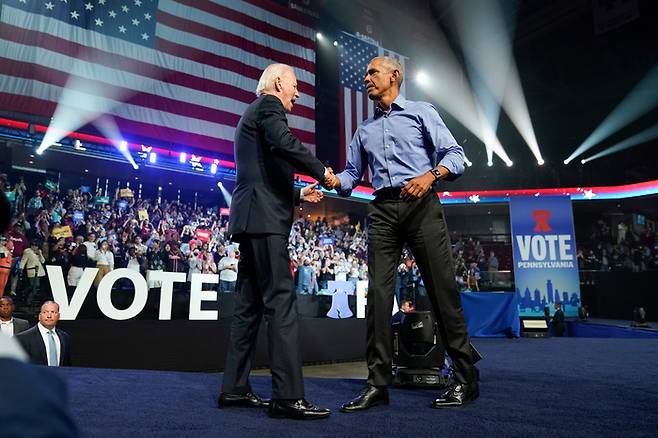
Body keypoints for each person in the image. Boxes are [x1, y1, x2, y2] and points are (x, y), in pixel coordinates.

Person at [325, 56, 479, 410]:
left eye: (372, 72)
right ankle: (377, 384)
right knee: (378, 297)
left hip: (422, 205)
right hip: (381, 210)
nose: (365, 78)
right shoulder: (363, 130)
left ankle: (466, 378)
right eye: (366, 73)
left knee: (442, 291)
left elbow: (456, 155)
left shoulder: (421, 112)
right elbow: (351, 177)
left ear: (394, 76)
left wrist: (430, 176)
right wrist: (334, 181)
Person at [219, 63, 331, 420]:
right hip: (264, 219)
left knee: (248, 307)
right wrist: (322, 172)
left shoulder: (255, 113)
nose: (297, 93)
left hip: (253, 216)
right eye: (295, 86)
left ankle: (234, 389)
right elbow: (283, 143)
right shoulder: (269, 106)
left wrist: (298, 196)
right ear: (278, 82)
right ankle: (287, 397)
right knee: (281, 303)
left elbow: (264, 168)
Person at [15, 301, 72, 366]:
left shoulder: (65, 337)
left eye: (53, 312)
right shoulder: (23, 338)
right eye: (45, 312)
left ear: (58, 316)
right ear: (39, 316)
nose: (49, 316)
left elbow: (67, 365)